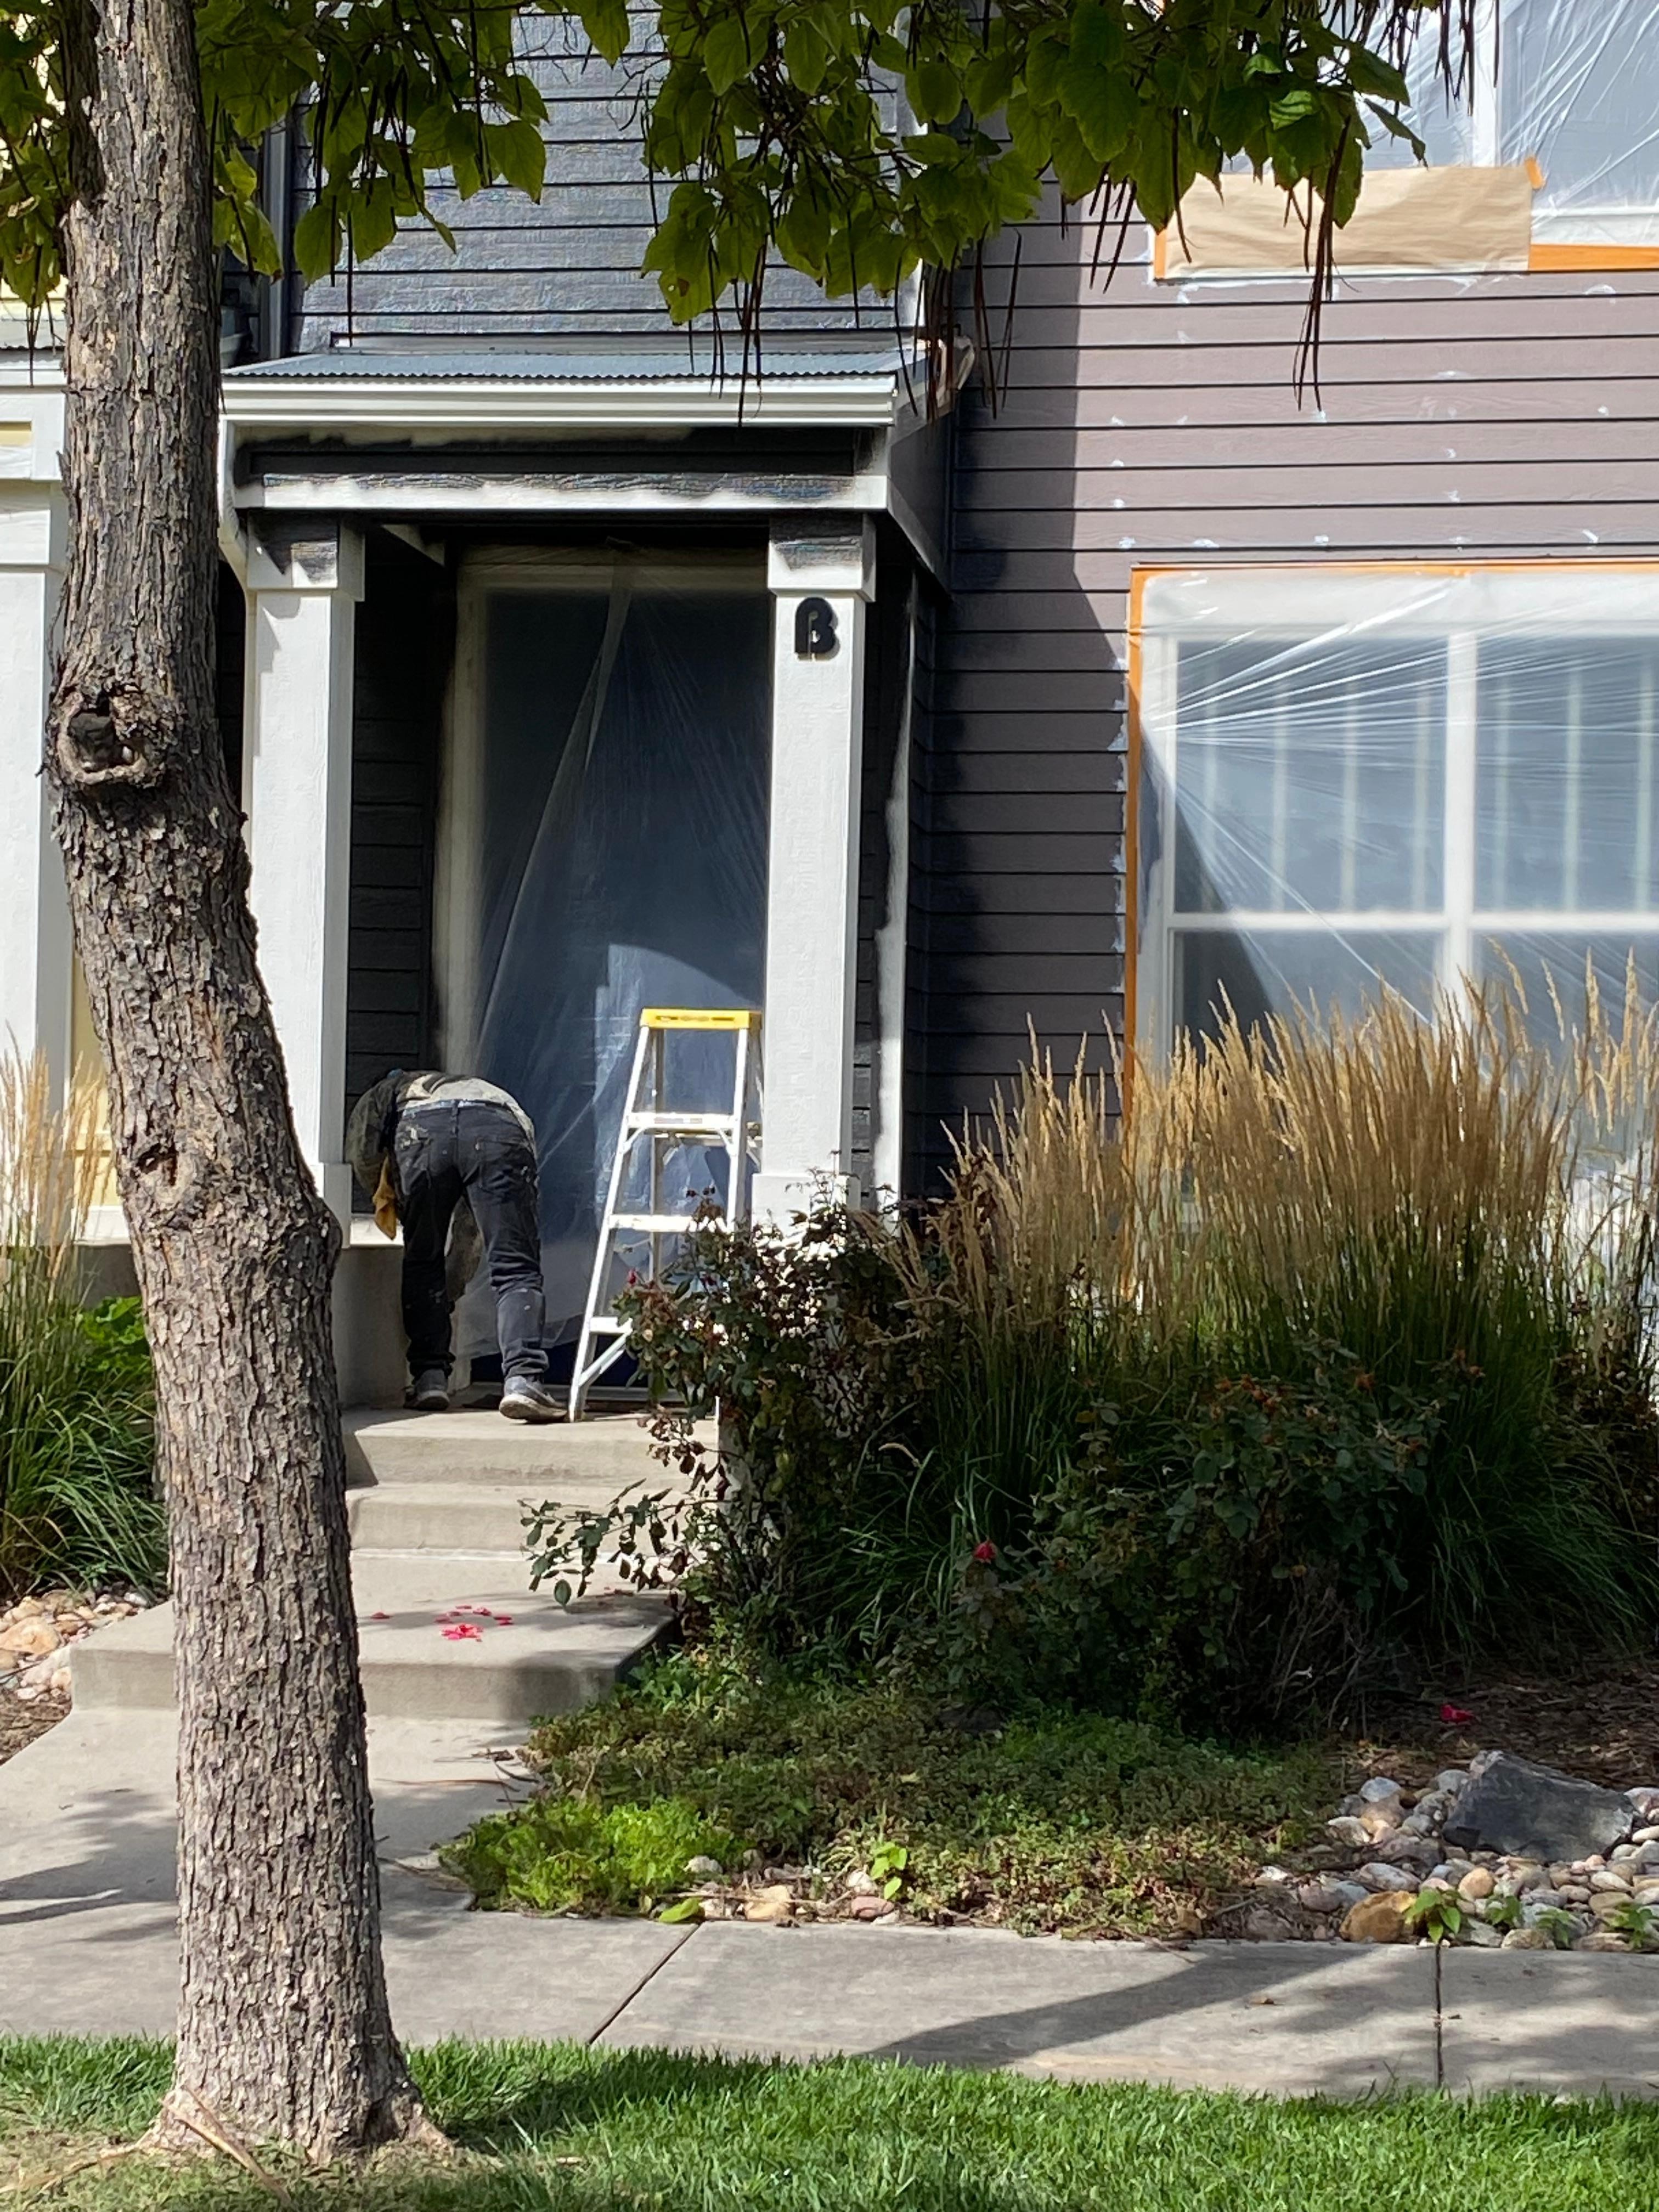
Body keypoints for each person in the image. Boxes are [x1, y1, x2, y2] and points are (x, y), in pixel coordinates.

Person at [345, 1070, 562, 1423]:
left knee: (422, 1260)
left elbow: (363, 1151)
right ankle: (524, 1381)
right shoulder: (497, 1099)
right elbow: (469, 1237)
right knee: (515, 1268)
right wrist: (453, 1284)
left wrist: (393, 1202)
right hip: (497, 1132)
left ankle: (430, 1380)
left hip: (422, 1135)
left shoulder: (386, 1093)